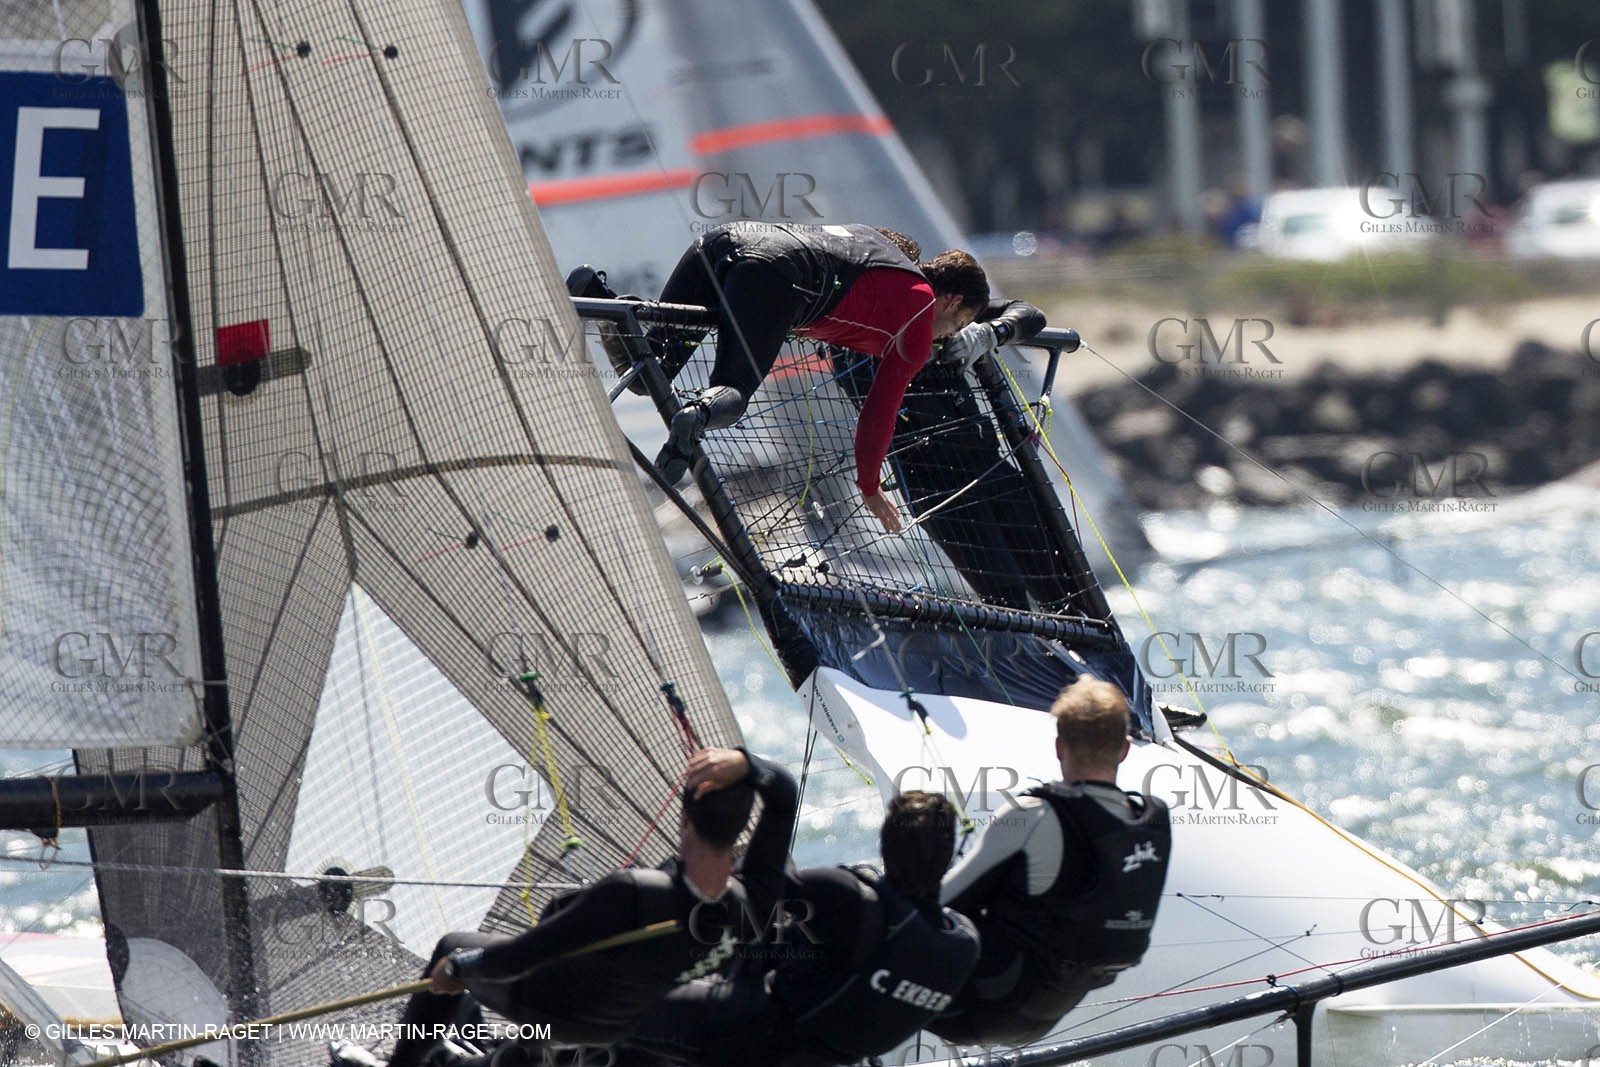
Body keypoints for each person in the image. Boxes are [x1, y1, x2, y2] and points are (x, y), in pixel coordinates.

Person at [329, 747, 798, 1067]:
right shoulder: (751, 905)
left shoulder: (635, 891)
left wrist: (459, 967)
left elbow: (520, 956)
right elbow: (784, 798)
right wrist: (749, 767)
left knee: (453, 947)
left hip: (557, 1011)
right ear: (741, 833)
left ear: (683, 819)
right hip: (619, 1025)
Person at [603, 222, 989, 534]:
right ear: (952, 301)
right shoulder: (919, 317)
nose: (950, 336)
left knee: (647, 373)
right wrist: (870, 488)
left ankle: (604, 305)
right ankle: (700, 413)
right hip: (773, 276)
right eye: (959, 324)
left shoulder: (873, 245)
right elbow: (879, 413)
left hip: (724, 239)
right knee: (733, 391)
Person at [614, 791, 980, 1067]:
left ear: (884, 847)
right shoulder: (963, 944)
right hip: (820, 1058)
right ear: (947, 858)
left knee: (610, 1009)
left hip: (746, 1030)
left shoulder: (847, 894)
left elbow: (756, 884)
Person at [929, 677, 1171, 1047]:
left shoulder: (1035, 813)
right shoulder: (1151, 822)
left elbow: (939, 903)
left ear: (1059, 747)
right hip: (1052, 1011)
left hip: (980, 1008)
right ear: (1124, 750)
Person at [831, 269, 1079, 611]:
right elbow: (874, 412)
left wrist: (991, 332)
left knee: (1061, 581)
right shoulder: (859, 334)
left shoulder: (949, 313)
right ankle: (1023, 657)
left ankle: (1092, 660)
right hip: (937, 487)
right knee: (1007, 597)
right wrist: (869, 486)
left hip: (990, 466)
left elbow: (1030, 313)